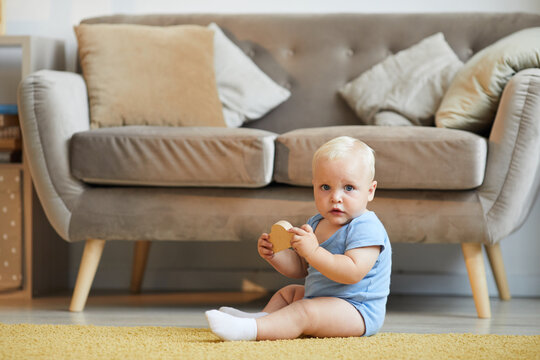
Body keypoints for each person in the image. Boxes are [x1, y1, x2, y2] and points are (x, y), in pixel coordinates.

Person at [206, 136, 392, 341]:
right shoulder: (316, 222)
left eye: (348, 188)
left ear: (370, 191)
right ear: (314, 187)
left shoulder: (366, 227)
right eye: (325, 187)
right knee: (288, 294)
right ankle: (261, 319)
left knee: (304, 310)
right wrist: (276, 255)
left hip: (357, 311)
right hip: (321, 300)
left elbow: (352, 272)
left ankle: (252, 330)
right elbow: (301, 268)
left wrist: (313, 251)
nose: (335, 197)